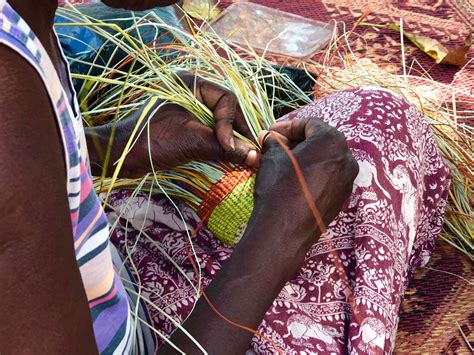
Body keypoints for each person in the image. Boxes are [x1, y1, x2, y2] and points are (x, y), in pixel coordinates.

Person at [0, 1, 450, 355]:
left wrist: (108, 146)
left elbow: (29, 178)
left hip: (92, 285)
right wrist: (279, 235)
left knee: (375, 119)